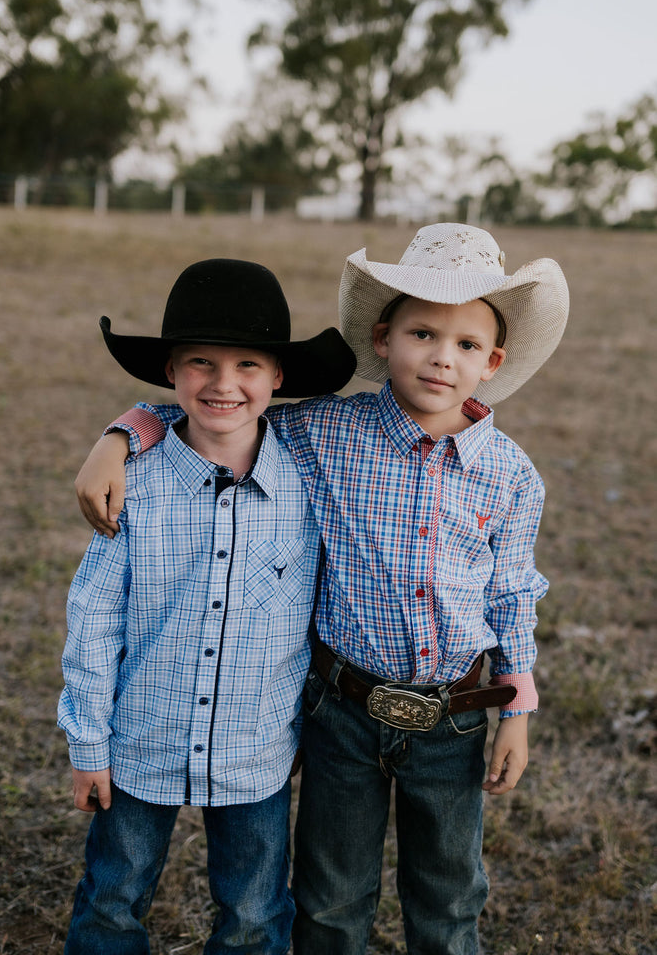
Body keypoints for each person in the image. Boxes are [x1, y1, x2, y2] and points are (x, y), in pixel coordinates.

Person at [74, 224, 569, 955]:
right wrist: (120, 434)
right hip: (344, 707)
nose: (440, 356)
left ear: (491, 361)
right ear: (383, 338)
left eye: (465, 345)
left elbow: (512, 592)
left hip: (455, 712)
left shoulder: (511, 474)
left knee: (449, 889)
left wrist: (518, 708)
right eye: (422, 332)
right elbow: (214, 417)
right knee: (329, 893)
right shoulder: (325, 431)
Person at [58, 257, 356, 955]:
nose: (224, 385)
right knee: (111, 899)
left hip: (257, 751)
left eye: (249, 365)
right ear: (169, 372)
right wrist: (88, 744)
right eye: (200, 363)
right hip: (140, 741)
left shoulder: (312, 477)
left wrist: (123, 426)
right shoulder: (133, 484)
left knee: (254, 913)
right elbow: (94, 622)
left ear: (278, 377)